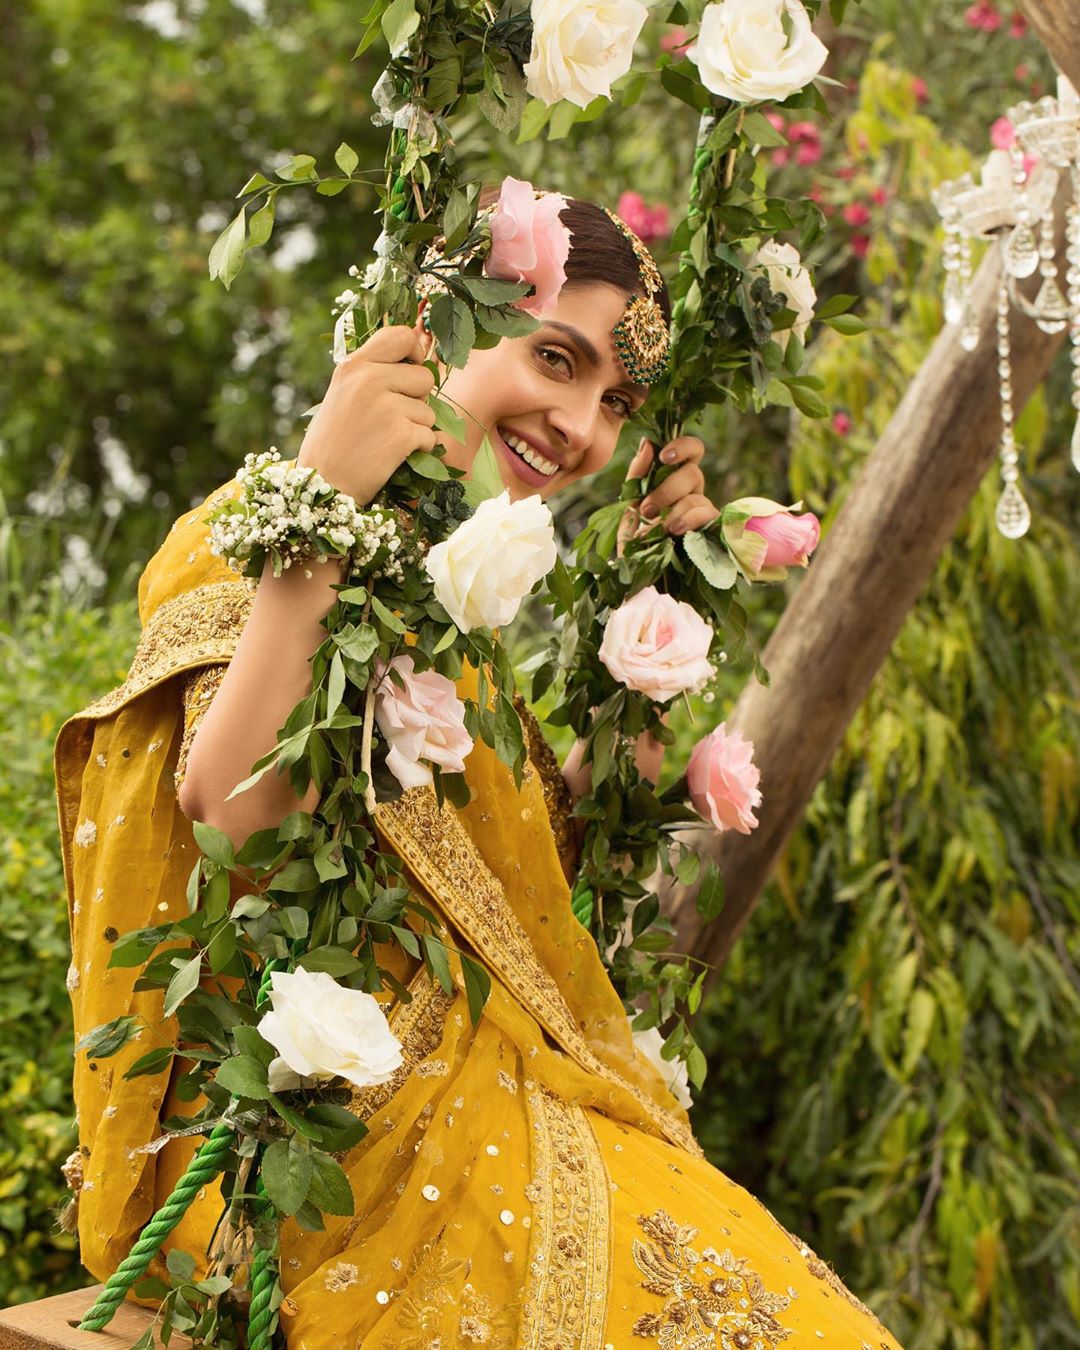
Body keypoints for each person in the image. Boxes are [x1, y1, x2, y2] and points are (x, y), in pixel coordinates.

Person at [55, 188, 901, 1349]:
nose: (580, 427)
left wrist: (641, 672)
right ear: (431, 321)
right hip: (297, 1159)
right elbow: (235, 819)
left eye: (612, 404)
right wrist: (322, 515)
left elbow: (521, 924)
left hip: (472, 1109)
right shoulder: (253, 526)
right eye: (555, 359)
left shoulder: (450, 594)